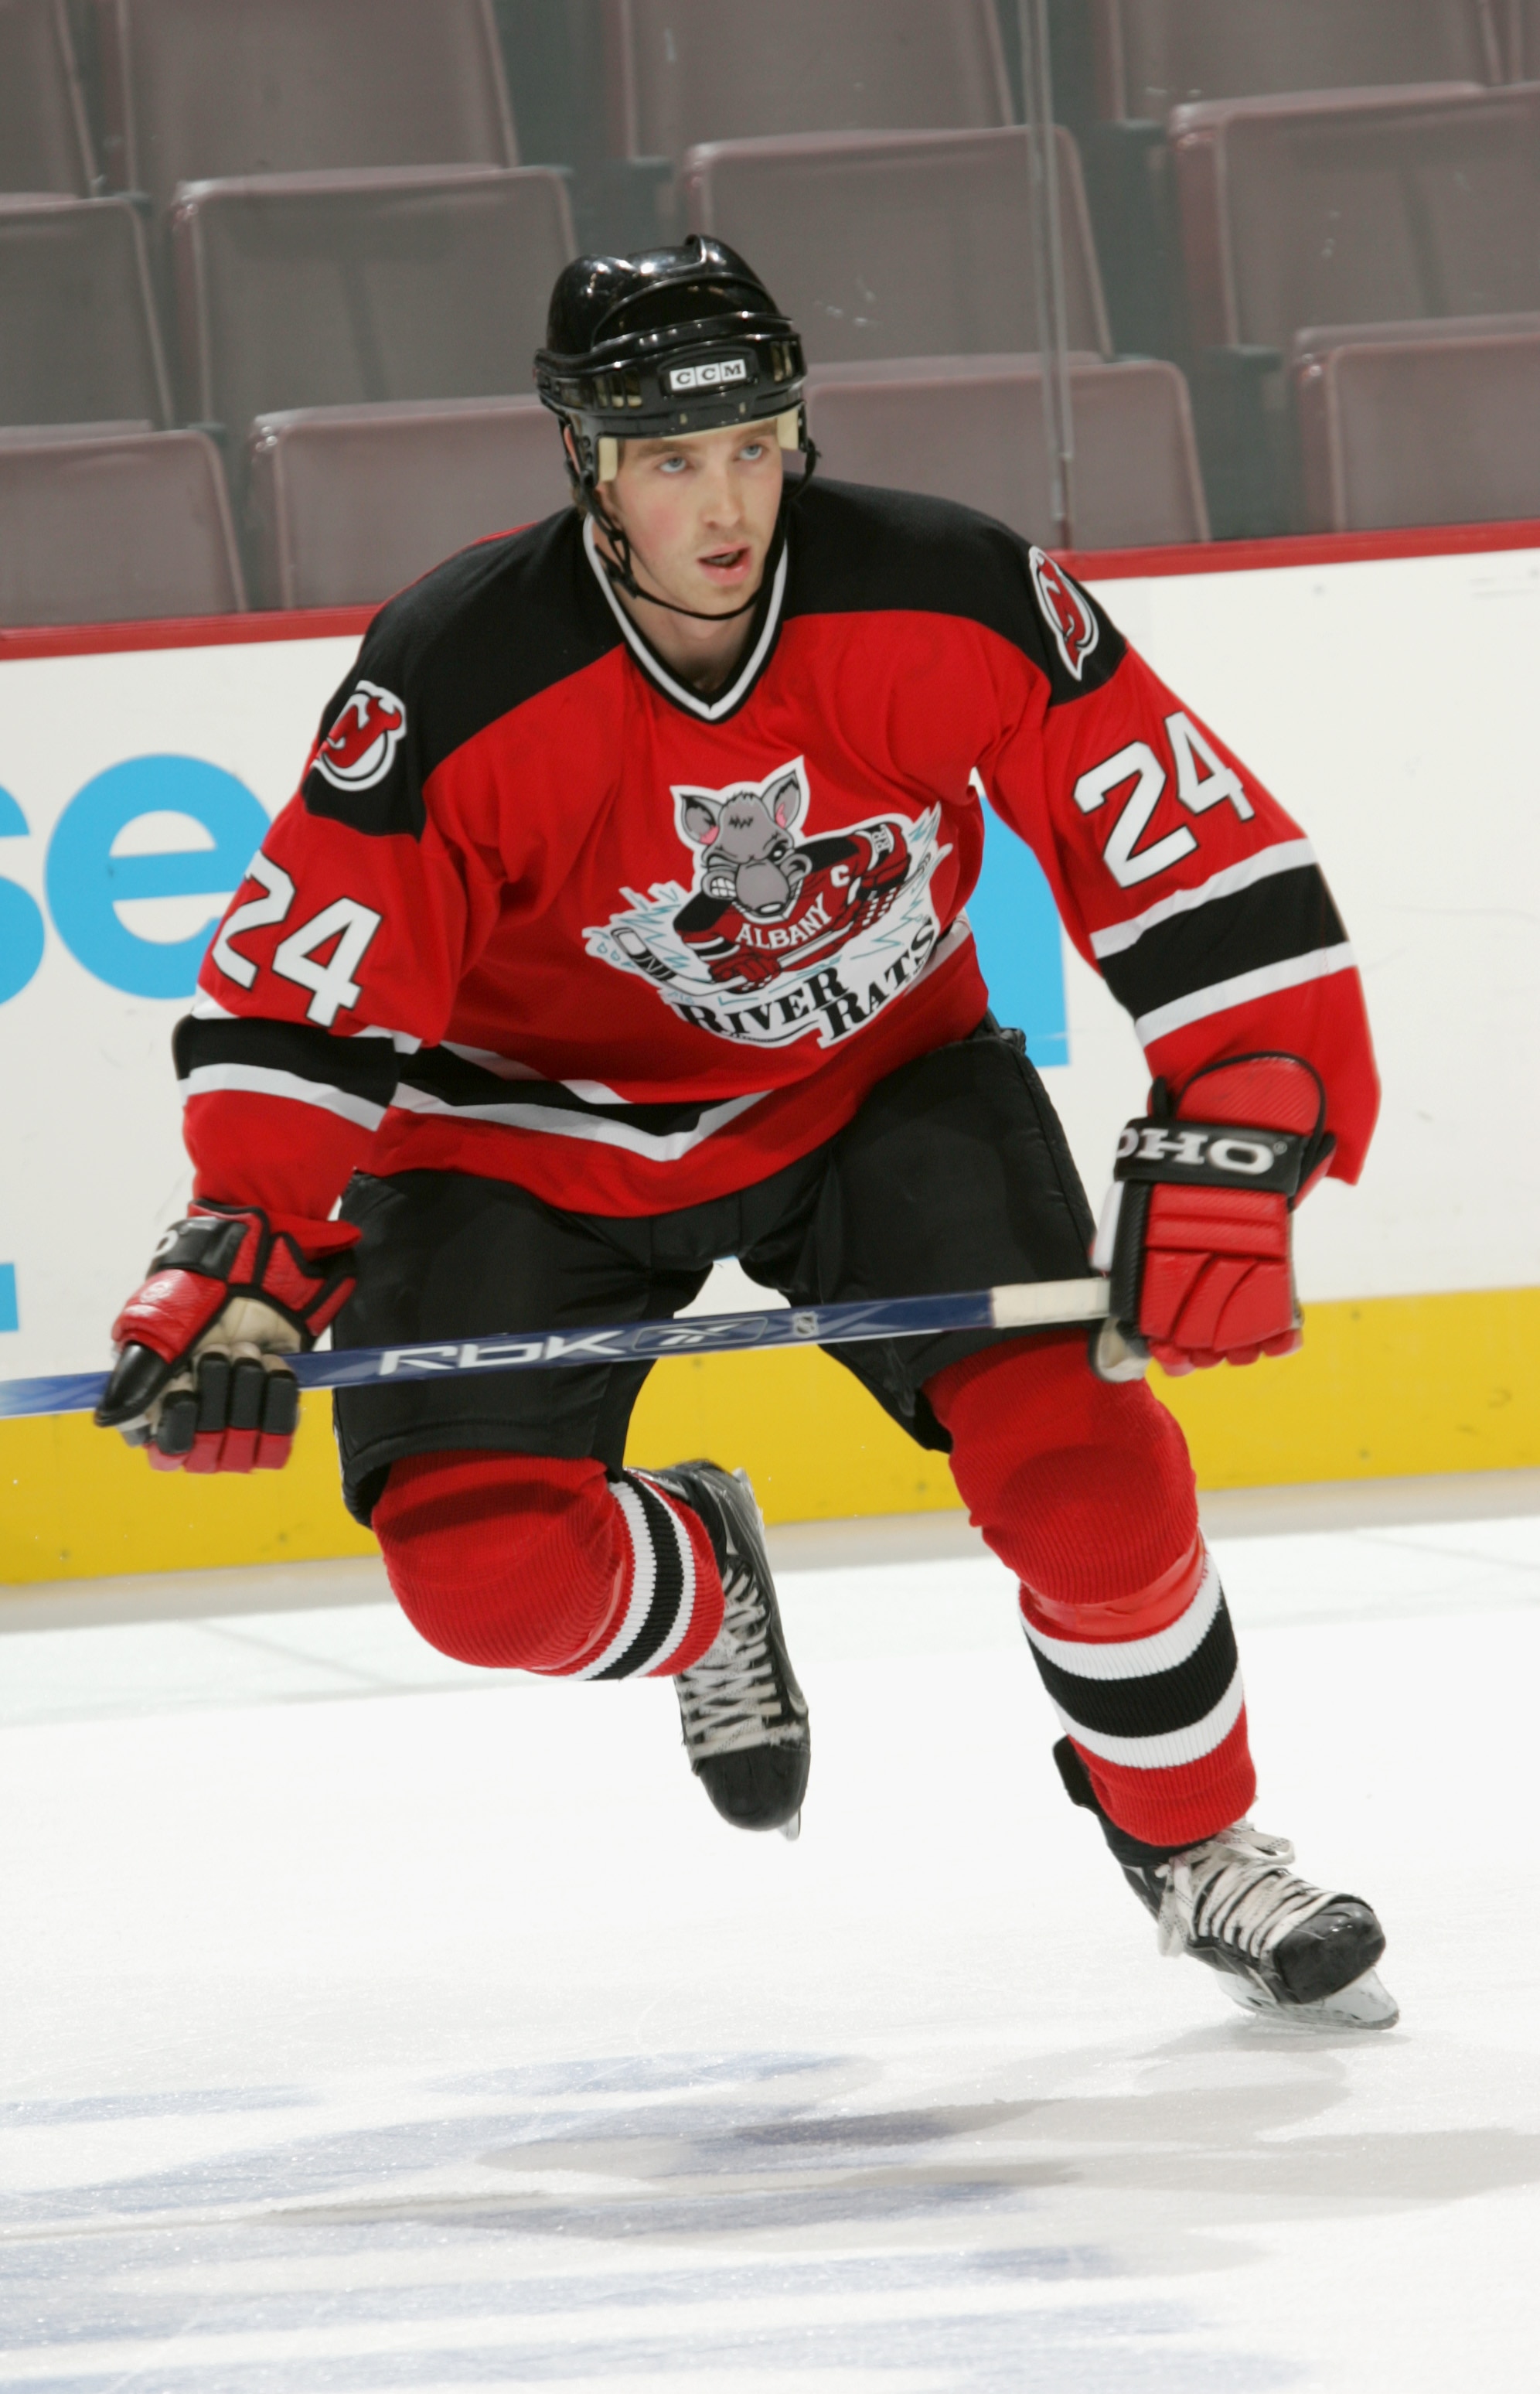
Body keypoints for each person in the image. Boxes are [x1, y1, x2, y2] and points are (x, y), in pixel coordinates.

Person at [97, 237, 1394, 2027]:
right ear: (588, 463)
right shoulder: (456, 671)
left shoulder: (953, 594)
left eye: (753, 448)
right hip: (516, 1131)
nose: (724, 506)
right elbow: (312, 990)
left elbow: (1194, 860)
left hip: (877, 1088)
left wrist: (1245, 1118)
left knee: (1092, 1490)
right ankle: (702, 1582)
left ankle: (1197, 1848)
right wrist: (250, 1253)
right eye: (669, 460)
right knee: (483, 1577)